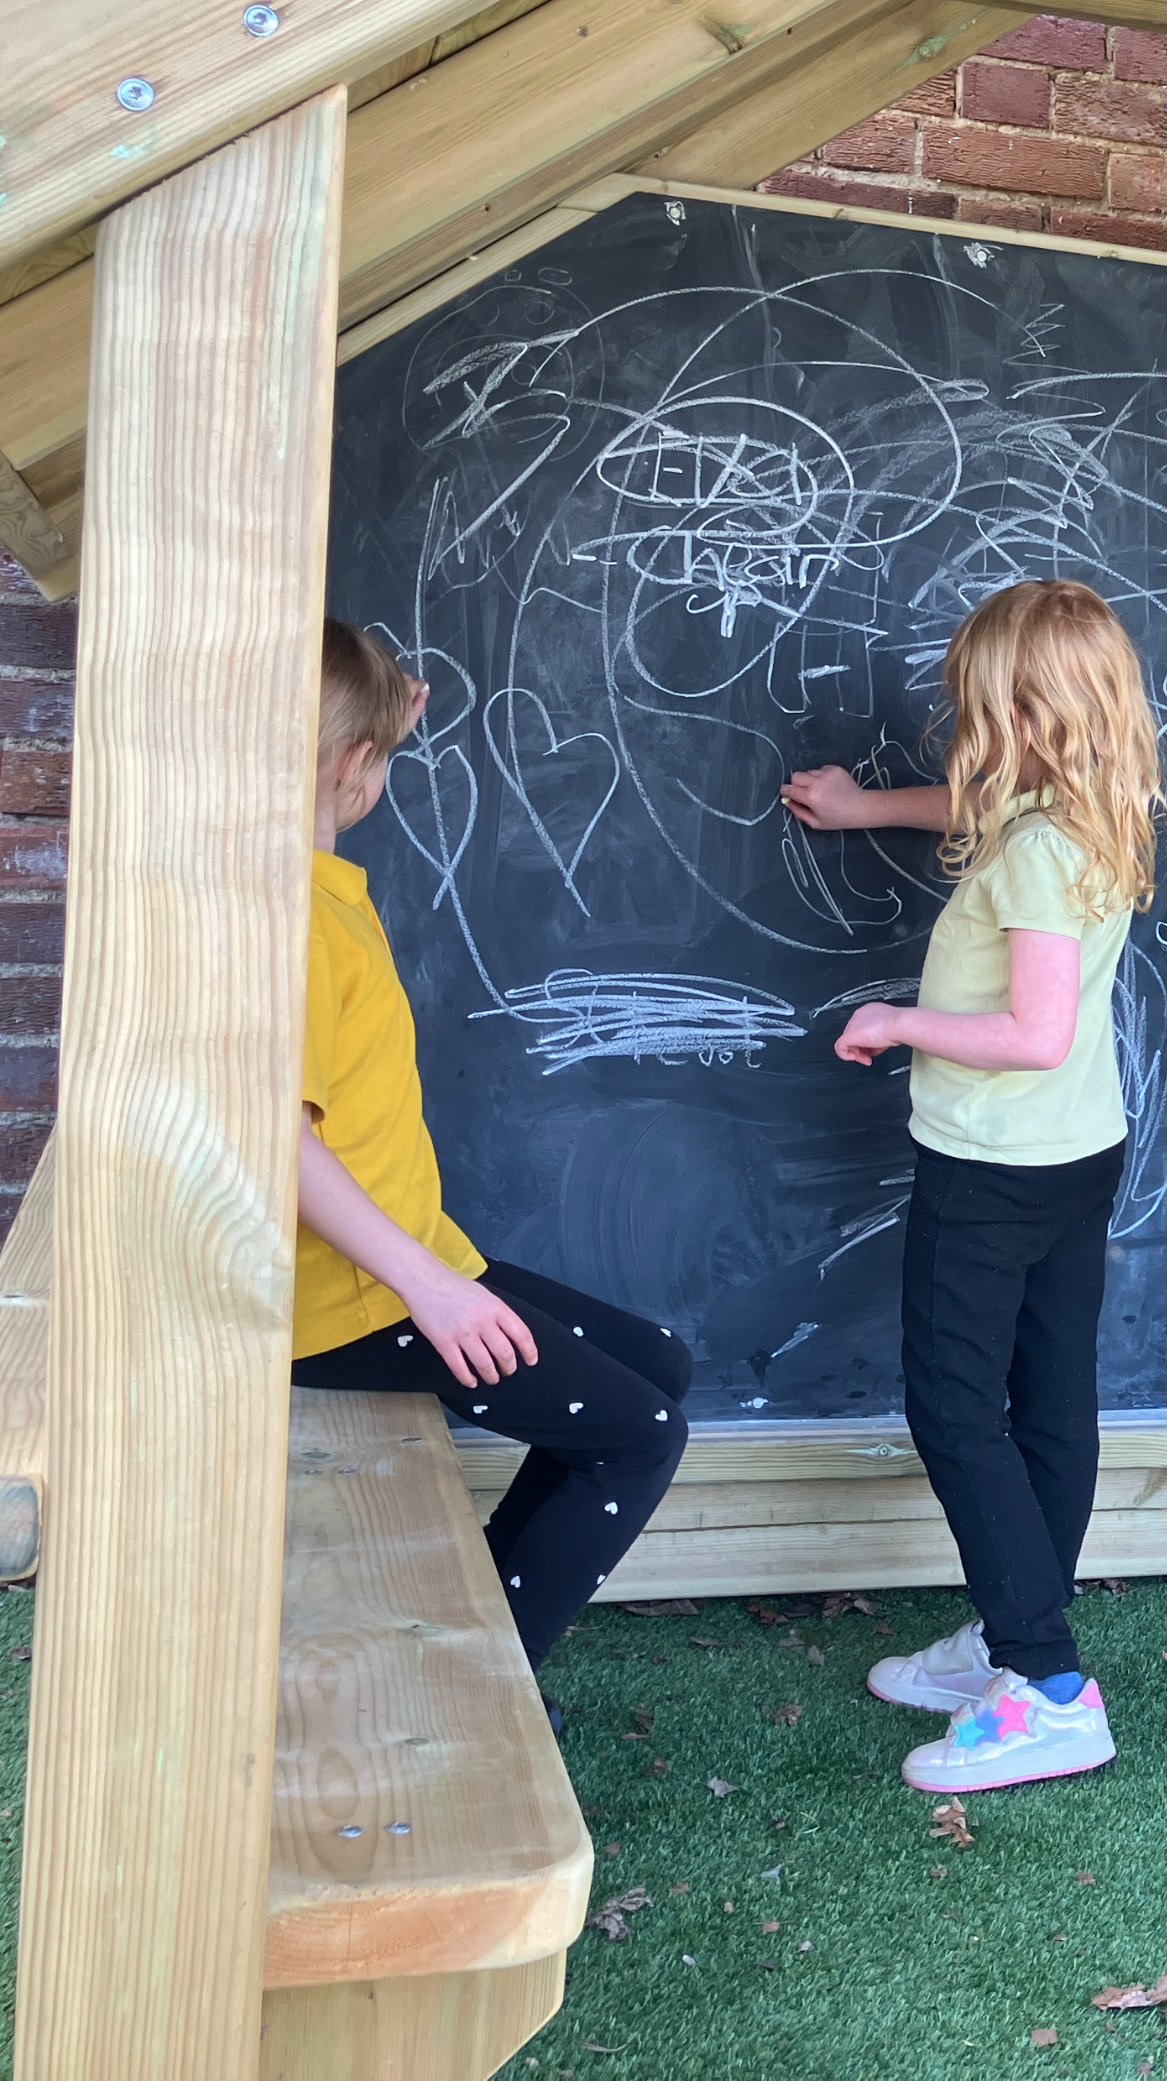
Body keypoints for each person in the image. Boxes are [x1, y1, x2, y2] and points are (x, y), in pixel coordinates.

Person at [782, 578, 1165, 1793]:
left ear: (1023, 712)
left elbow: (1035, 1030)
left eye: (976, 705)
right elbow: (973, 810)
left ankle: (1049, 1687)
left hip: (995, 1163)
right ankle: (1013, 1640)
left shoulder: (1043, 849)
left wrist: (898, 1019)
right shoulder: (1089, 803)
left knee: (956, 1406)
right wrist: (858, 811)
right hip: (1072, 1153)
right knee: (1050, 1400)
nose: (961, 721)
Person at [289, 619, 692, 1722]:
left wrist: (379, 717)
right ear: (348, 765)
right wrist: (430, 1289)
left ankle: (467, 1638)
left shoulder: (304, 879)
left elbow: (342, 745)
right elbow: (277, 1139)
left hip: (403, 1261)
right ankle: (469, 1688)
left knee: (656, 1362)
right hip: (350, 1299)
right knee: (638, 1435)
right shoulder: (294, 924)